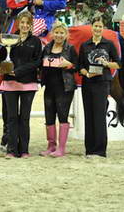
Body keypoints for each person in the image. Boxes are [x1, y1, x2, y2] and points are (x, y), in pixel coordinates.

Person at [0, 11, 42, 158]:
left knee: (24, 117)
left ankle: (24, 150)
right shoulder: (10, 38)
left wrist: (19, 71)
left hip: (28, 83)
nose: (24, 25)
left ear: (31, 25)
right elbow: (2, 57)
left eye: (27, 23)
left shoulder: (35, 41)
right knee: (11, 117)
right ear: (18, 23)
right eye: (22, 22)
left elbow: (37, 62)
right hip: (10, 83)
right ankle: (11, 149)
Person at [78, 16, 121, 158]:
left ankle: (100, 150)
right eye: (95, 26)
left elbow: (118, 64)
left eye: (100, 26)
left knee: (99, 115)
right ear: (91, 27)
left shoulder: (108, 44)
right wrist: (86, 73)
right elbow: (80, 66)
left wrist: (107, 64)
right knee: (88, 115)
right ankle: (89, 149)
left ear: (103, 28)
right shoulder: (85, 45)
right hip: (88, 83)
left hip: (102, 83)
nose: (97, 28)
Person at [39, 21, 78, 157]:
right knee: (49, 116)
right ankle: (51, 146)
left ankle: (61, 148)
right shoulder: (47, 48)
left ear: (66, 34)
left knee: (62, 116)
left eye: (62, 33)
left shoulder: (70, 49)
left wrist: (69, 65)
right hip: (49, 87)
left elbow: (78, 66)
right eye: (56, 32)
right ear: (52, 34)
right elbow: (40, 64)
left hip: (65, 88)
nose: (59, 35)